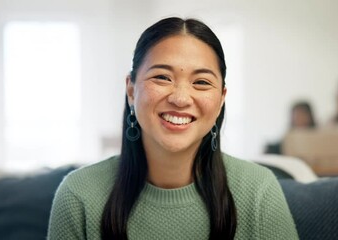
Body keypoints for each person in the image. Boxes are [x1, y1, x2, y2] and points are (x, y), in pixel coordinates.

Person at [48, 17, 298, 240]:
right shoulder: (78, 195)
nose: (180, 98)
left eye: (201, 82)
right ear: (131, 89)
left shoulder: (259, 192)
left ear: (221, 98)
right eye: (162, 77)